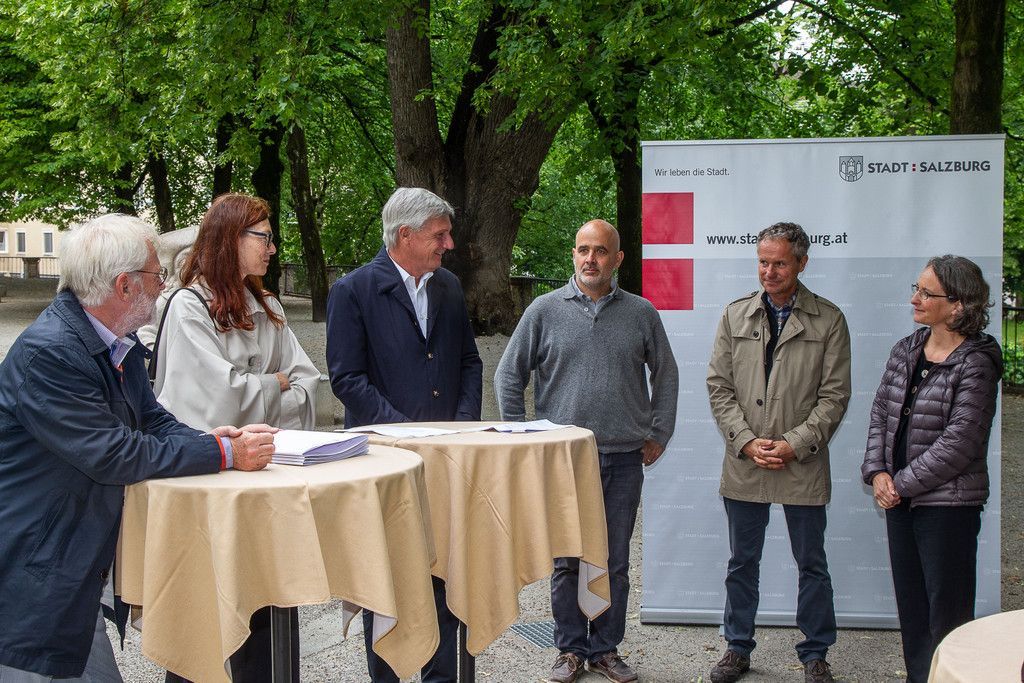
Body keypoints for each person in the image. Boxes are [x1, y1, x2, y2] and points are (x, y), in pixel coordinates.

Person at [0, 214, 276, 682]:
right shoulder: (50, 352)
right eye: (156, 274)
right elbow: (115, 454)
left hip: (67, 565)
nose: (163, 284)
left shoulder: (111, 339)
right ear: (124, 286)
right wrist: (225, 455)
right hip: (34, 574)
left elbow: (152, 419)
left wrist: (210, 442)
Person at [494, 219, 679, 683]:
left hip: (623, 456)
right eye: (582, 250)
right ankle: (570, 650)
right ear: (573, 255)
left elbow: (667, 373)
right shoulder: (543, 310)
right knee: (567, 561)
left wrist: (659, 431)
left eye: (600, 251)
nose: (590, 259)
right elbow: (508, 375)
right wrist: (522, 437)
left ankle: (606, 650)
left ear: (617, 259)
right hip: (564, 459)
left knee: (614, 559)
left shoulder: (641, 313)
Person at [151, 193, 320, 681]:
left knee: (267, 600)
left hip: (266, 480)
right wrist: (273, 384)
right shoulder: (188, 308)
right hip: (211, 486)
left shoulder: (267, 306)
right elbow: (217, 403)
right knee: (208, 611)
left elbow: (308, 385)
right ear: (231, 238)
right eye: (264, 238)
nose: (273, 249)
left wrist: (256, 389)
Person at [326, 187, 482, 683]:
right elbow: (347, 380)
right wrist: (405, 434)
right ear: (405, 235)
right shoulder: (353, 291)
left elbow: (469, 362)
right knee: (386, 581)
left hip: (445, 457)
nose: (448, 244)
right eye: (440, 235)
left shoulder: (448, 286)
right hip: (384, 462)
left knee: (442, 576)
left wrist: (459, 426)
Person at [706, 222, 851, 683]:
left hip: (801, 463)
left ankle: (815, 653)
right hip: (745, 461)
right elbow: (719, 387)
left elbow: (835, 396)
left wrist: (795, 444)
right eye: (763, 262)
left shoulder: (829, 320)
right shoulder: (735, 315)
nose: (769, 271)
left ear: (802, 263)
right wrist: (746, 441)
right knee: (741, 562)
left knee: (812, 564)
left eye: (780, 263)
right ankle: (737, 648)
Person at [861, 255, 1000, 683]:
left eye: (926, 292)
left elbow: (961, 442)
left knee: (947, 612)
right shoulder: (906, 348)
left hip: (947, 506)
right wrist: (877, 472)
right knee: (913, 608)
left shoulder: (977, 362)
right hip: (900, 499)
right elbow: (880, 414)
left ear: (957, 305)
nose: (915, 298)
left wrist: (898, 484)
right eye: (916, 289)